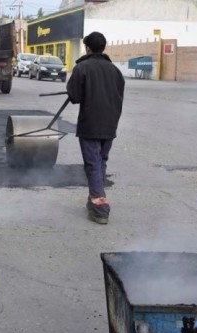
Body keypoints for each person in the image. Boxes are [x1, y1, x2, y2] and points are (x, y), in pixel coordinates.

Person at [66, 31, 125, 224]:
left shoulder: (82, 68)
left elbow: (74, 96)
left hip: (91, 124)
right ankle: (94, 198)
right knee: (100, 162)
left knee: (93, 164)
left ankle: (100, 207)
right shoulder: (115, 71)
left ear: (88, 48)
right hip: (110, 124)